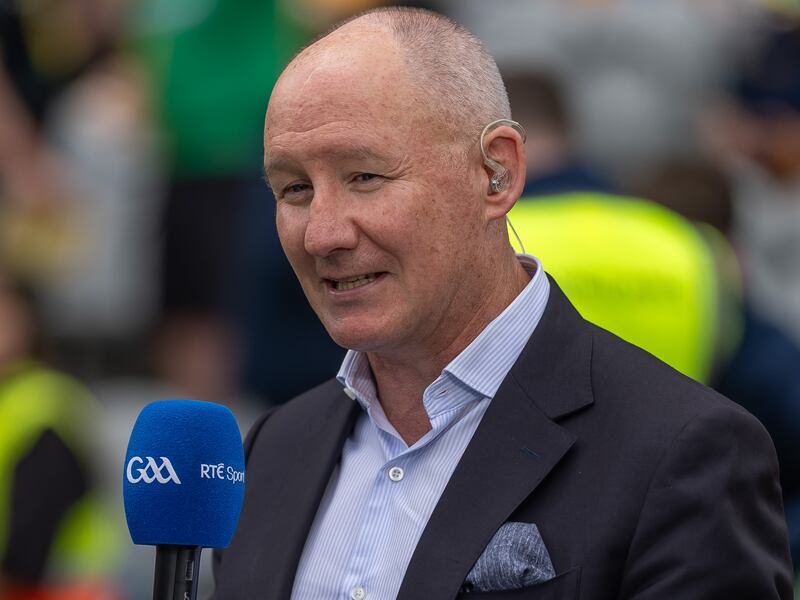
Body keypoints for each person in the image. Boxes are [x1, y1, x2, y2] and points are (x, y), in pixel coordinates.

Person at [213, 7, 793, 599]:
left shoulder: (682, 452)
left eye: (364, 177)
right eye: (295, 189)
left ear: (498, 172)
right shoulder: (271, 451)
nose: (322, 234)